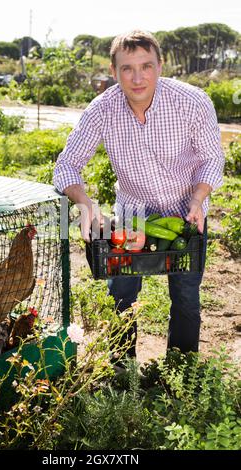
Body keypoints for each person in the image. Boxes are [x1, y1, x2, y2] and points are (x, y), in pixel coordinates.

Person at [53, 30, 224, 361]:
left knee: (186, 296)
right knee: (122, 294)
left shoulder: (192, 102)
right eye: (127, 68)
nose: (137, 77)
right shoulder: (102, 109)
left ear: (160, 65)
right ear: (113, 70)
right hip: (132, 214)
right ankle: (121, 369)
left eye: (146, 66)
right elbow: (66, 166)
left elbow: (211, 158)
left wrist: (198, 197)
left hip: (187, 214)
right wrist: (85, 203)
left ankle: (180, 368)